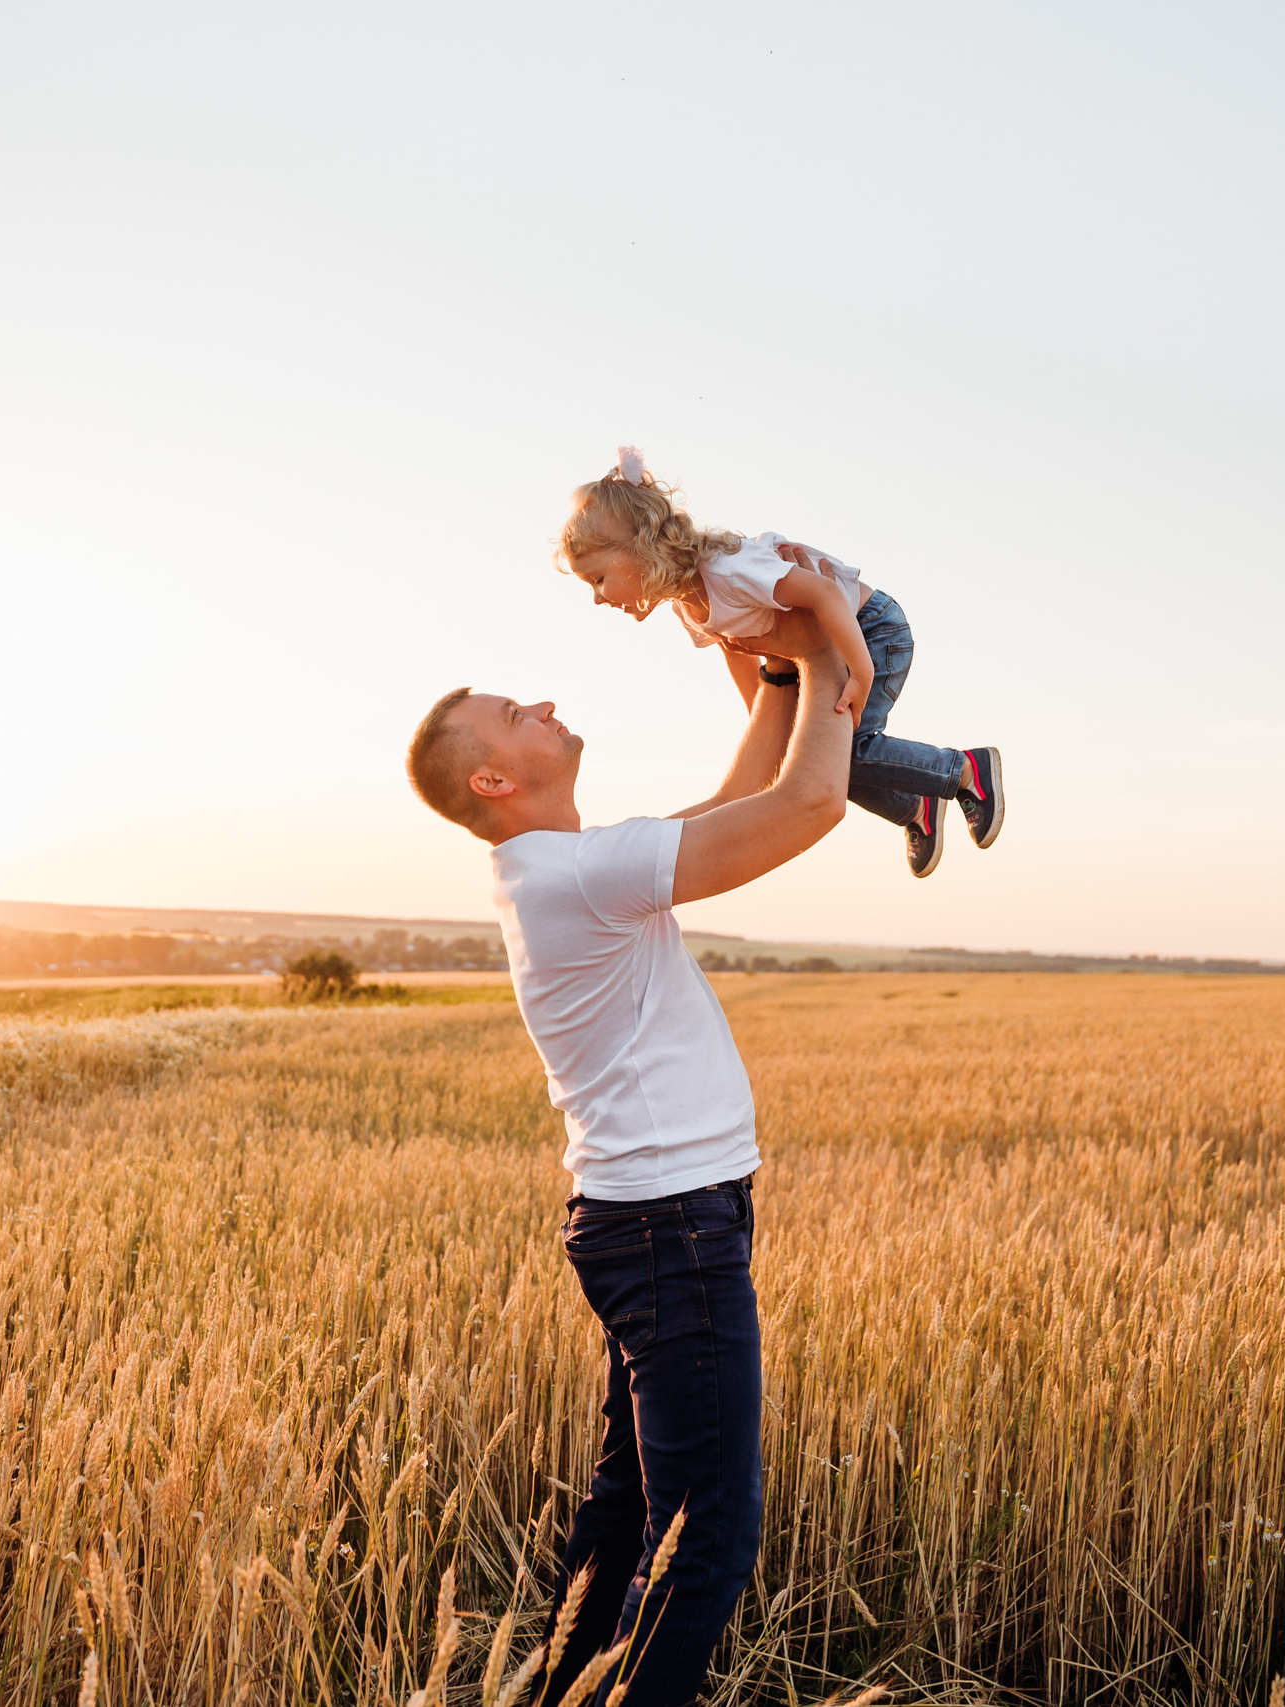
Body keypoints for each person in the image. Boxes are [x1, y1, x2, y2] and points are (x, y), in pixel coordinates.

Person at [404, 591, 853, 1707]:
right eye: (516, 712)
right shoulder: (574, 875)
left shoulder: (564, 868)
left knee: (629, 1507)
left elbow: (738, 803)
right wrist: (823, 644)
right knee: (710, 1534)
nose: (544, 704)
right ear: (493, 779)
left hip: (648, 1222)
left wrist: (775, 676)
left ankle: (565, 1690)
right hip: (668, 1229)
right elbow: (806, 804)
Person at [555, 446, 1005, 878]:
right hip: (830, 646)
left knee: (842, 752)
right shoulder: (690, 610)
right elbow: (744, 669)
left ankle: (965, 769)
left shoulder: (729, 570)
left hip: (869, 629)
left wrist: (861, 670)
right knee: (818, 758)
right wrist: (780, 739)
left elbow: (823, 593)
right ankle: (917, 806)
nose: (597, 598)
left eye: (598, 578)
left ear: (638, 549)